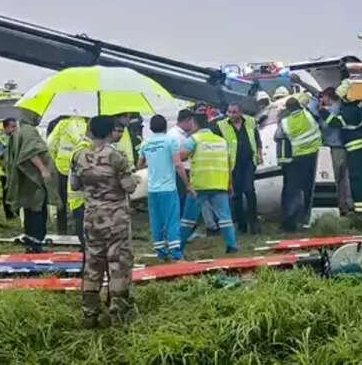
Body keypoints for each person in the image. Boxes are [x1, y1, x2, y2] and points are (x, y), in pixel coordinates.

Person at [70, 116, 138, 327]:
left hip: (91, 217)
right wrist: (135, 178)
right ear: (111, 132)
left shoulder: (78, 156)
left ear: (90, 131)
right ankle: (118, 313)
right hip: (116, 218)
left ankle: (90, 314)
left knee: (92, 264)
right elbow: (129, 187)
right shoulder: (117, 157)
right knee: (118, 264)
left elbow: (74, 185)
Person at [321, 81, 362, 212]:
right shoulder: (360, 105)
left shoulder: (349, 111)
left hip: (355, 151)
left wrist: (323, 112)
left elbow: (336, 122)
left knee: (358, 179)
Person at [179, 112, 237, 253]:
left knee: (188, 218)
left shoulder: (194, 140)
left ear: (194, 123)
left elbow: (181, 157)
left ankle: (178, 246)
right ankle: (231, 245)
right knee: (225, 217)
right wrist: (230, 184)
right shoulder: (221, 141)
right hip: (219, 184)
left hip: (199, 185)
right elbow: (228, 164)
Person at [5, 108, 61, 252]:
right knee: (37, 211)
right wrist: (43, 170)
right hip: (33, 179)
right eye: (36, 115)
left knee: (29, 210)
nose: (39, 118)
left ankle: (31, 242)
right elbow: (30, 152)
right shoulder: (29, 131)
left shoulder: (19, 131)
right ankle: (36, 243)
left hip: (25, 179)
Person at [137, 115, 189, 261]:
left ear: (151, 128)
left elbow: (139, 165)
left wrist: (153, 163)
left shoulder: (146, 143)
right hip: (168, 188)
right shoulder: (170, 141)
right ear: (165, 126)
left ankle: (160, 251)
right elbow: (178, 164)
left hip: (152, 189)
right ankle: (175, 252)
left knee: (156, 221)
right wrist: (187, 184)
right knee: (172, 220)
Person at [212, 103, 262, 234]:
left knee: (249, 191)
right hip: (232, 165)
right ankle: (241, 224)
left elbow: (257, 138)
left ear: (240, 113)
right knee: (236, 195)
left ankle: (254, 222)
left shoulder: (250, 121)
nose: (231, 115)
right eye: (229, 112)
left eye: (234, 112)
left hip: (248, 162)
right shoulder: (221, 125)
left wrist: (259, 153)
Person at [276, 97, 321, 231]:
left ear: (288, 109)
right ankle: (309, 216)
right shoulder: (308, 113)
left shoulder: (285, 122)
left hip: (298, 158)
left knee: (295, 190)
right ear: (299, 106)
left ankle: (291, 223)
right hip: (316, 155)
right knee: (311, 188)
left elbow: (278, 136)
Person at [311, 87, 353, 215]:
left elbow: (322, 122)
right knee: (343, 179)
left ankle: (337, 206)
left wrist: (316, 103)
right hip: (343, 148)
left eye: (323, 97)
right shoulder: (341, 107)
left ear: (328, 97)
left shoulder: (332, 110)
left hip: (335, 148)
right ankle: (345, 205)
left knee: (335, 178)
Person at [47, 115, 88, 234]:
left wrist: (55, 159)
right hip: (80, 166)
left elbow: (50, 144)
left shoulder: (62, 124)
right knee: (80, 198)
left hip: (62, 166)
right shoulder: (88, 125)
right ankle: (79, 228)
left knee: (62, 199)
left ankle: (62, 229)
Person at [66, 129, 92, 251]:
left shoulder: (82, 148)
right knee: (85, 231)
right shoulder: (84, 151)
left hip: (80, 198)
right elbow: (78, 181)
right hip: (82, 198)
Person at [0, 117, 18, 220]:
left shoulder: (16, 139)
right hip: (6, 173)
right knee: (7, 194)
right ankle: (9, 215)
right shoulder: (0, 140)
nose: (15, 128)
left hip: (16, 172)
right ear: (6, 128)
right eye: (13, 126)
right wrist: (6, 169)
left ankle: (17, 212)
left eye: (16, 126)